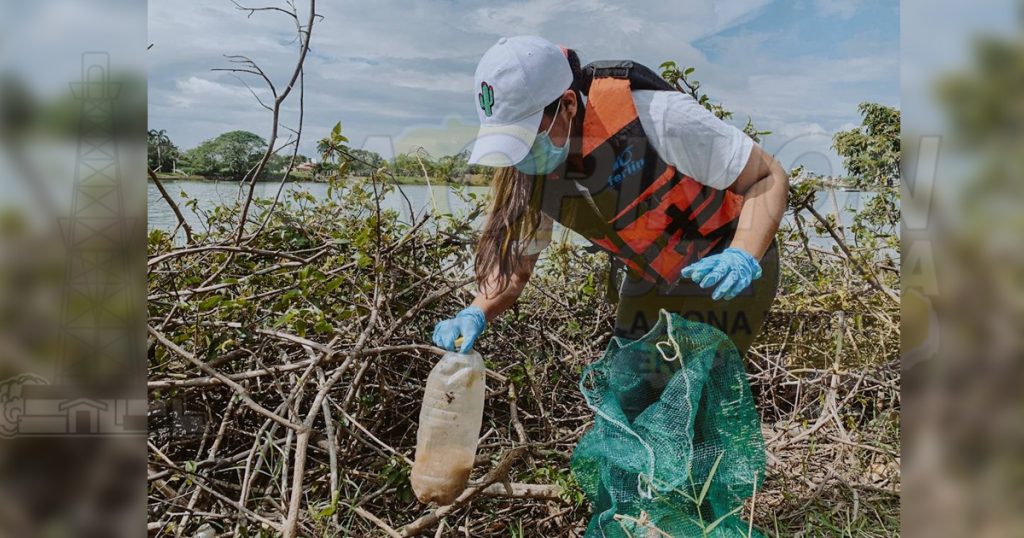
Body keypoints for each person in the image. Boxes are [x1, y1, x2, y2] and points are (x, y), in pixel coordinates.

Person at [433, 35, 788, 356]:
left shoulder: (657, 116)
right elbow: (516, 272)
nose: (518, 154)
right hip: (651, 273)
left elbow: (767, 176)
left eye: (525, 136)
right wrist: (476, 311)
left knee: (701, 386)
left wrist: (742, 256)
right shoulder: (531, 173)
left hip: (725, 264)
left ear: (568, 104)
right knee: (628, 389)